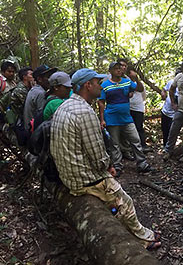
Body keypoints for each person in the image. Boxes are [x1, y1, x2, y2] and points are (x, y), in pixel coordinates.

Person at [50, 68, 161, 250]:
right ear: (88, 85)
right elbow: (97, 155)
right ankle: (142, 238)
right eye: (98, 83)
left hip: (68, 175)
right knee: (124, 201)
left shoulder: (65, 105)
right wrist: (107, 167)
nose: (101, 86)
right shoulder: (84, 112)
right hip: (83, 181)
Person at [98, 62, 154, 175]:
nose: (119, 70)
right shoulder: (105, 85)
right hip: (112, 119)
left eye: (120, 68)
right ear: (110, 71)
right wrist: (102, 119)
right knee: (114, 143)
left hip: (127, 118)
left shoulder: (127, 82)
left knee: (135, 139)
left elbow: (139, 88)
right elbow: (101, 102)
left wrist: (136, 79)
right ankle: (117, 166)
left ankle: (142, 164)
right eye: (116, 69)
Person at [118, 58, 149, 152]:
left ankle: (140, 147)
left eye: (125, 66)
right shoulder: (111, 78)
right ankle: (125, 150)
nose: (123, 67)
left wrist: (136, 80)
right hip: (121, 109)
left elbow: (141, 92)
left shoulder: (129, 81)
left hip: (137, 108)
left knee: (138, 127)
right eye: (121, 65)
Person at [23, 64, 57, 130]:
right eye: (48, 77)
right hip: (34, 132)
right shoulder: (40, 93)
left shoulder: (35, 90)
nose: (51, 79)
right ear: (39, 79)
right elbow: (43, 117)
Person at [160, 68, 180, 147]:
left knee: (172, 132)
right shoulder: (171, 82)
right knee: (165, 131)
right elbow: (164, 89)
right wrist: (163, 94)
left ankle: (170, 148)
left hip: (175, 114)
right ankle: (165, 147)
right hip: (165, 111)